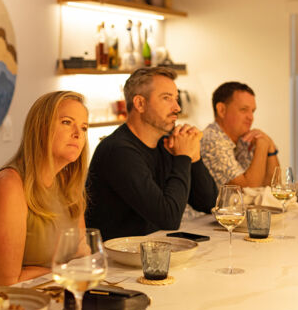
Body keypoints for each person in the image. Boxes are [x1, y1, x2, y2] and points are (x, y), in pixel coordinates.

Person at [0, 91, 89, 287]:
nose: (78, 133)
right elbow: (7, 284)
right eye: (67, 122)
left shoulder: (68, 185)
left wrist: (68, 270)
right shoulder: (8, 186)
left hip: (50, 298)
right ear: (41, 128)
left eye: (84, 128)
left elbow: (81, 256)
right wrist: (64, 270)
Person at [85, 67, 217, 241]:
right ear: (140, 103)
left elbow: (210, 204)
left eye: (176, 99)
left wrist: (193, 156)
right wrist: (182, 157)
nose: (177, 107)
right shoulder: (119, 151)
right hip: (117, 261)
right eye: (166, 98)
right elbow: (168, 219)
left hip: (152, 250)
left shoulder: (166, 144)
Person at [200, 81, 280, 189]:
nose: (251, 117)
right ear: (221, 110)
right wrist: (263, 144)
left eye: (252, 111)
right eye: (244, 110)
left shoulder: (244, 139)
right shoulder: (212, 140)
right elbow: (247, 189)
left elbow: (274, 186)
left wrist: (270, 147)